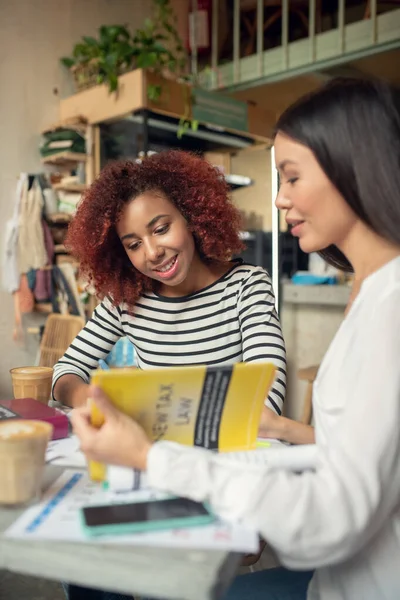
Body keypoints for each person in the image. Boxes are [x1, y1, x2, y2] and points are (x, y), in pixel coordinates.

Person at [72, 77, 400, 600]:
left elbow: (332, 519)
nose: (278, 197)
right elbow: (368, 458)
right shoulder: (373, 293)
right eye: (133, 243)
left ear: (352, 168)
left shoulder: (384, 308)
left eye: (291, 177)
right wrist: (289, 430)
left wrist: (155, 459)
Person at [54, 150, 311, 600]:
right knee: (86, 567)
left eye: (161, 228)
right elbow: (65, 371)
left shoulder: (246, 287)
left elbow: (264, 395)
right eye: (133, 243)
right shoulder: (126, 299)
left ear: (192, 217)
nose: (152, 252)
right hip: (147, 468)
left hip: (220, 472)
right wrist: (89, 400)